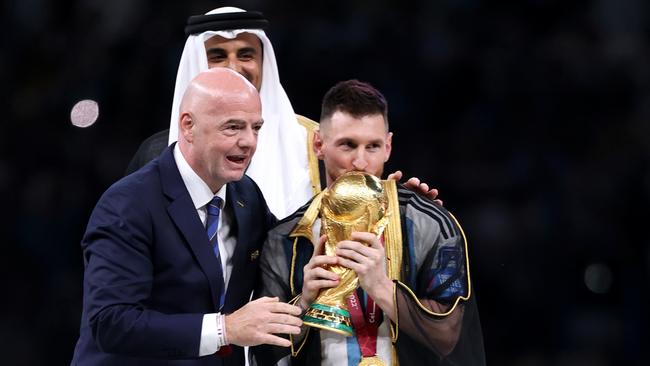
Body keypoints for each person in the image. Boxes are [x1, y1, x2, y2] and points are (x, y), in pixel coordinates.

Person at [71, 68, 304, 366]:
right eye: (233, 127)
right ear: (188, 126)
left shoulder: (246, 195)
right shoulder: (127, 204)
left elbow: (284, 248)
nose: (249, 141)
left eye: (255, 127)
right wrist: (226, 329)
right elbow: (111, 321)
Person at [253, 80, 485, 365]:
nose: (360, 162)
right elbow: (260, 352)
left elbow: (449, 336)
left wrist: (383, 289)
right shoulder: (285, 237)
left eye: (372, 146)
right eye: (347, 145)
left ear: (388, 147)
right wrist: (303, 303)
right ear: (318, 144)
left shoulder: (429, 222)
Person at [126, 6, 320, 219]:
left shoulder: (314, 145)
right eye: (218, 57)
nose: (234, 68)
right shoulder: (155, 153)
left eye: (246, 55)